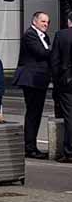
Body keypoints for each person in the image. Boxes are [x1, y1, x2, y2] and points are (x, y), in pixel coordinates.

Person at [13, 11, 52, 158]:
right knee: (33, 113)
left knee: (36, 113)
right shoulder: (30, 34)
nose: (46, 25)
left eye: (47, 22)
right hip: (30, 79)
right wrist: (55, 51)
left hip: (40, 79)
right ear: (35, 21)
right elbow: (41, 52)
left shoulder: (44, 36)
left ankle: (31, 145)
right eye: (43, 21)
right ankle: (29, 147)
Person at [49, 11, 72, 163]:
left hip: (67, 81)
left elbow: (55, 60)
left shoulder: (61, 35)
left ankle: (69, 151)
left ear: (69, 21)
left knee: (69, 115)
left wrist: (57, 80)